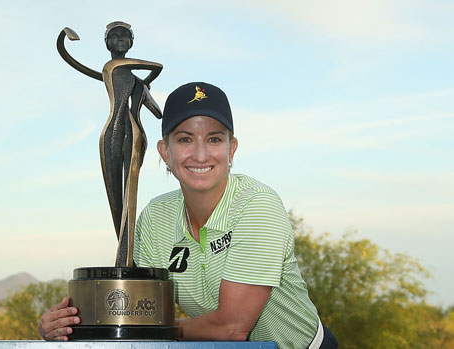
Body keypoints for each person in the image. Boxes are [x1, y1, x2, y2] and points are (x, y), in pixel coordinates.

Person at [39, 82, 338, 348]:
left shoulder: (257, 205)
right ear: (164, 151)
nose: (200, 154)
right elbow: (138, 309)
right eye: (184, 139)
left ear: (231, 149)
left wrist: (150, 332)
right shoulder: (155, 218)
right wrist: (69, 325)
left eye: (214, 139)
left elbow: (231, 328)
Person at [57, 21, 163, 266]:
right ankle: (126, 259)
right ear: (106, 43)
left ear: (132, 41)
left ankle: (126, 259)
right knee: (115, 197)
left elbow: (157, 112)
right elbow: (157, 66)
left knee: (129, 196)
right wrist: (146, 78)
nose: (121, 40)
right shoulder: (112, 66)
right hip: (112, 134)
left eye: (125, 35)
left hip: (135, 136)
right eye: (115, 36)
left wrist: (145, 87)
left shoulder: (137, 82)